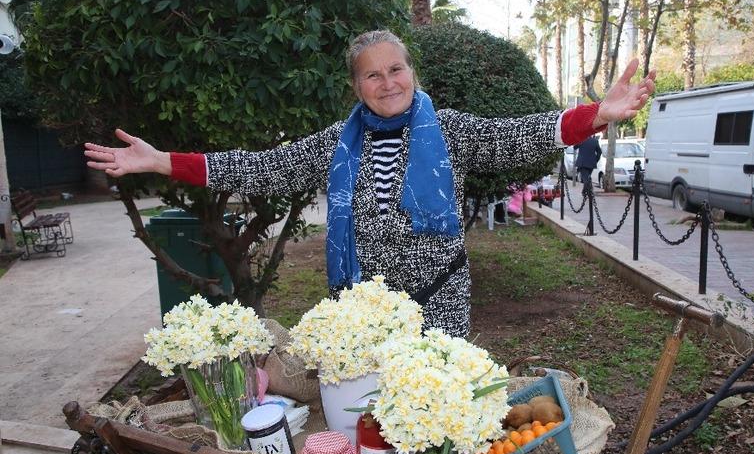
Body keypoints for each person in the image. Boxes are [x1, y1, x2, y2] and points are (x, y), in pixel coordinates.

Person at [85, 30, 655, 338]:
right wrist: (163, 162)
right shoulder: (337, 141)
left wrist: (596, 116)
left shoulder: (448, 130)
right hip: (362, 316)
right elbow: (261, 167)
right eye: (373, 75)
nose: (388, 83)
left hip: (439, 306)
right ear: (357, 86)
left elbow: (519, 135)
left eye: (397, 69)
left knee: (436, 419)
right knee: (378, 421)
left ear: (413, 73)